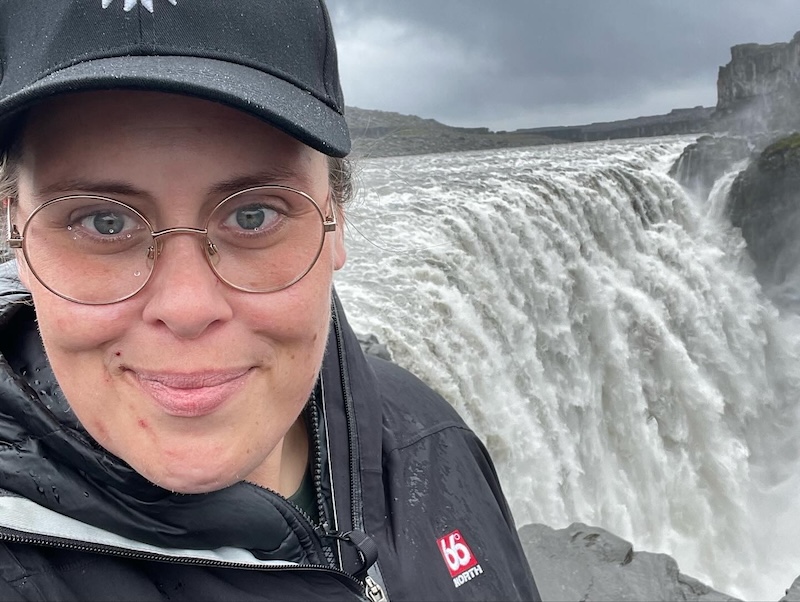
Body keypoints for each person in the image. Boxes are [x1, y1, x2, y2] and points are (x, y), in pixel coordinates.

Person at [0, 1, 540, 600]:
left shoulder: (430, 440)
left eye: (252, 215)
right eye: (101, 223)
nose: (186, 306)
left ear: (336, 217)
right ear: (15, 233)